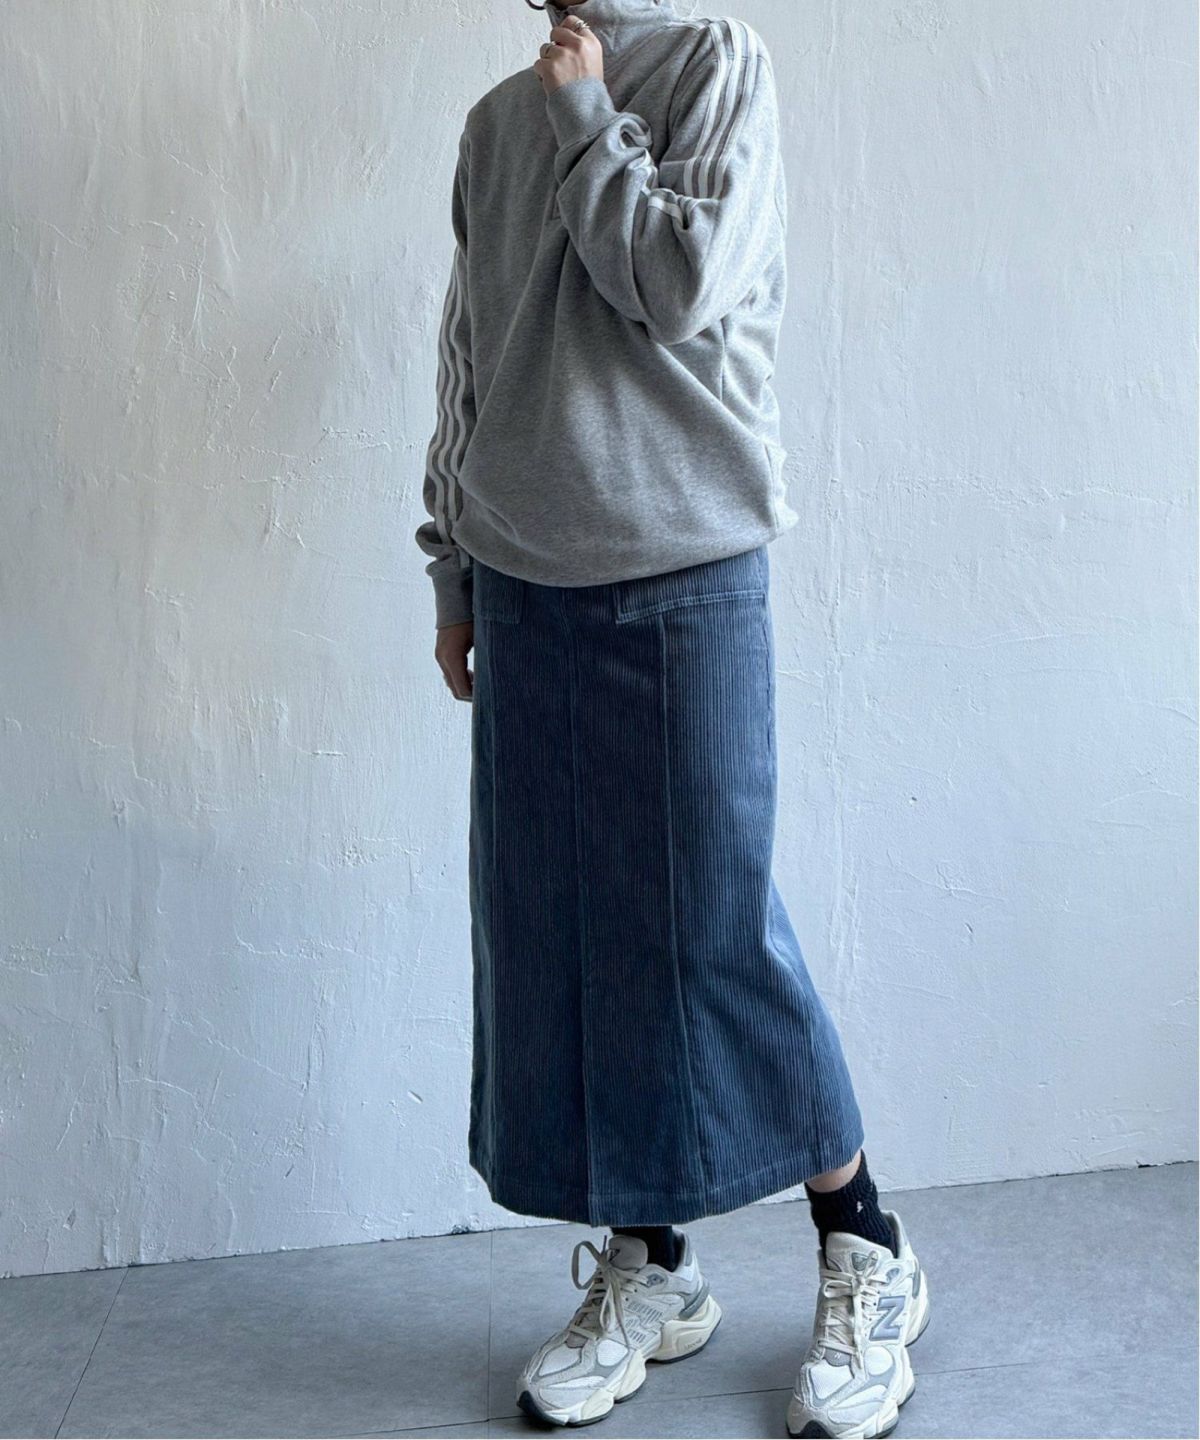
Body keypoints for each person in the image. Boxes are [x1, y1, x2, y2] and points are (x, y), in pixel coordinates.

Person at [414, 1, 930, 1434]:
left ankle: (867, 1242)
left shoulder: (714, 62)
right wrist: (452, 567)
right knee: (569, 941)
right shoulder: (492, 124)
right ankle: (652, 1262)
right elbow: (468, 360)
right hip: (524, 579)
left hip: (684, 562)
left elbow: (683, 283)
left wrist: (591, 116)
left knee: (712, 925)